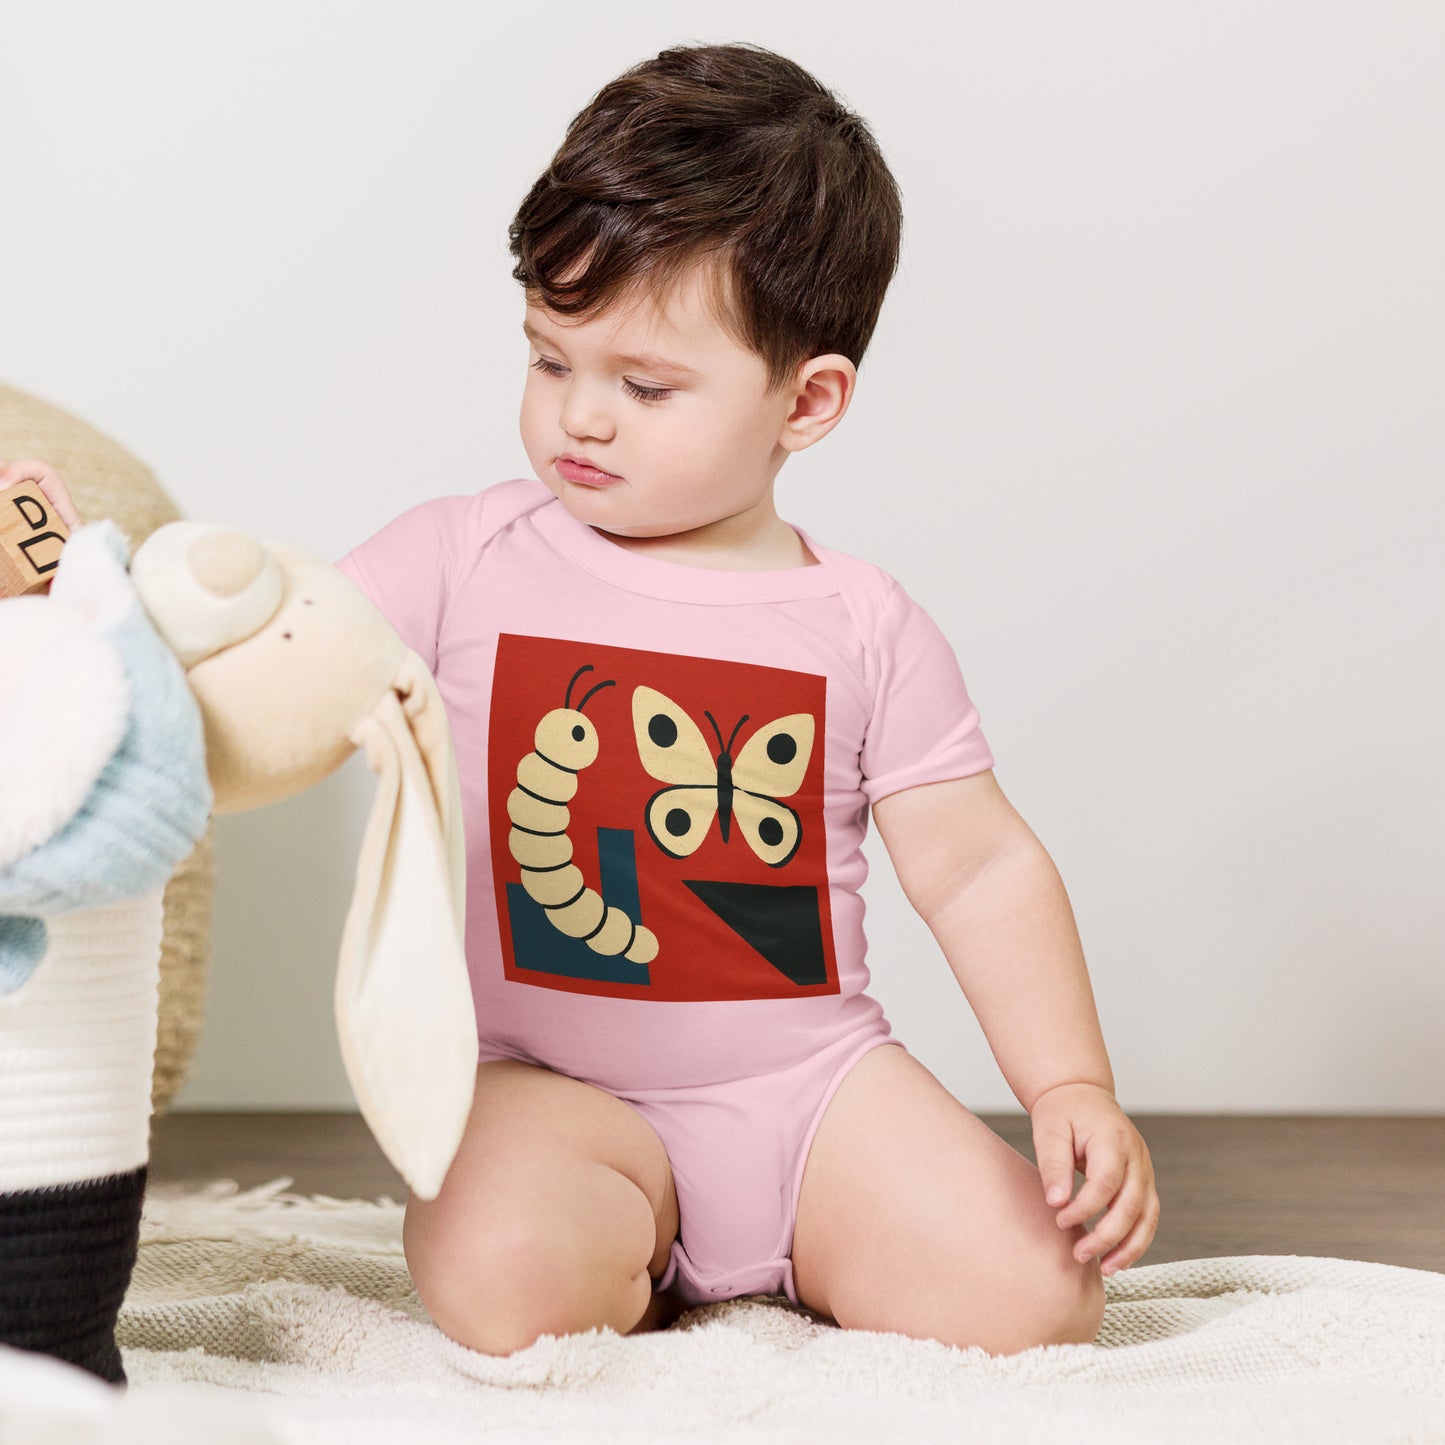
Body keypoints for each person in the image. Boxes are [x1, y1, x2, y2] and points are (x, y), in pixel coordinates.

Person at [7, 41, 1159, 1358]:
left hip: (810, 1090)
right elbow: (283, 656)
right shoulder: (464, 557)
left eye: (645, 384)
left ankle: (784, 1246)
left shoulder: (862, 625)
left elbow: (977, 869)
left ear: (809, 399)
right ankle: (632, 1248)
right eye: (551, 360)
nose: (579, 419)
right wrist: (91, 615)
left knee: (1037, 1296)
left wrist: (1067, 1082)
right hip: (558, 1091)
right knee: (493, 1274)